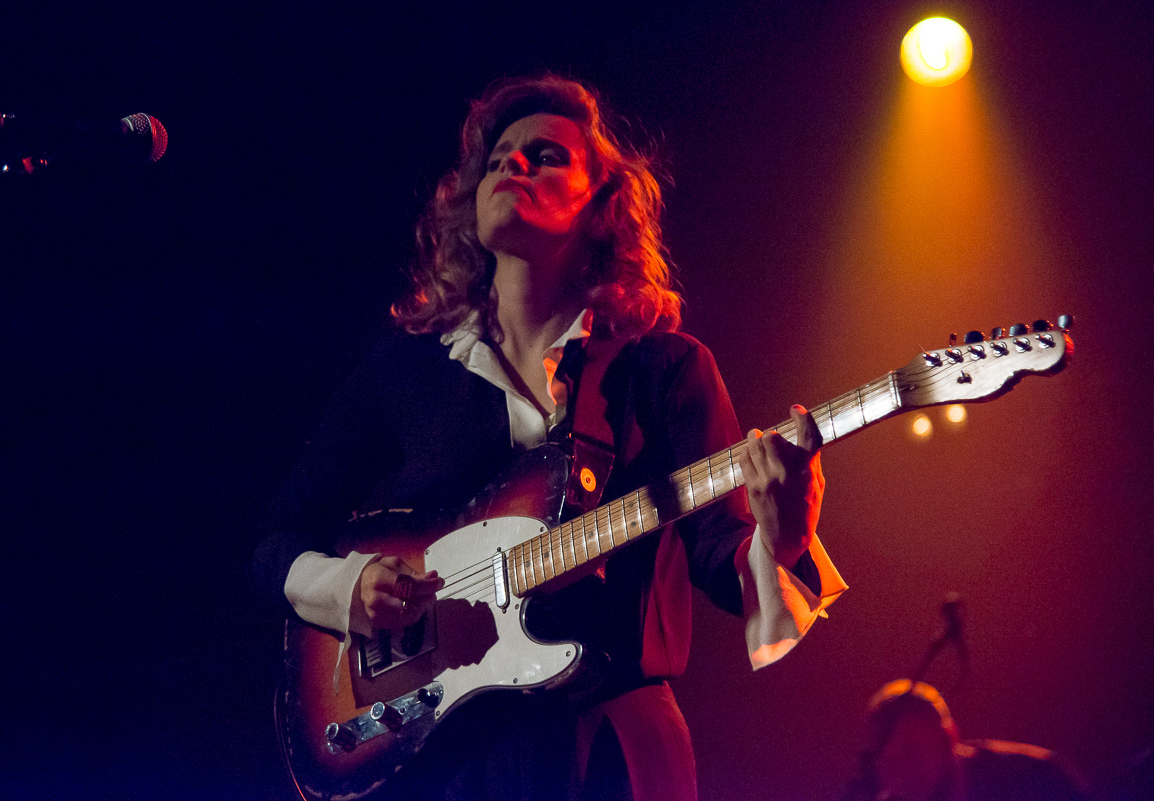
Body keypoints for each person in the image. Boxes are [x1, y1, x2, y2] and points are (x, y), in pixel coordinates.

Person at [254, 74, 846, 801]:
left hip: (613, 748)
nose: (514, 165)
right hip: (444, 756)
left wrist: (782, 536)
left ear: (603, 204)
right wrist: (349, 585)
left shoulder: (663, 367)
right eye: (498, 158)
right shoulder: (407, 369)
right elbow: (278, 536)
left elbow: (723, 556)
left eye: (545, 156)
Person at [848, 680, 1090, 801]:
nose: (902, 775)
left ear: (949, 737)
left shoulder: (1036, 778)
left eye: (913, 752)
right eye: (891, 764)